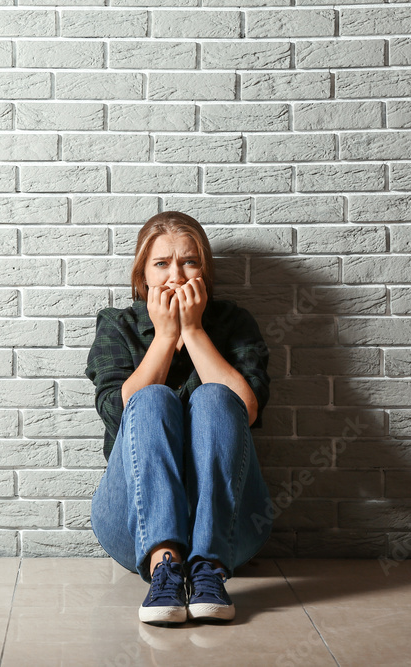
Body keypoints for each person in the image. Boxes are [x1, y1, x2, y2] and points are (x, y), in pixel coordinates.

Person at [85, 211, 272, 626]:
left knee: (214, 398)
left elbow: (249, 408)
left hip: (233, 528)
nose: (176, 276)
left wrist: (194, 332)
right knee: (150, 399)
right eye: (161, 264)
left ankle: (207, 568)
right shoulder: (118, 326)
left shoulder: (233, 322)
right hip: (131, 526)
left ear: (204, 271)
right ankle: (164, 564)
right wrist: (167, 337)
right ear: (143, 277)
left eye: (189, 262)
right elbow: (118, 412)